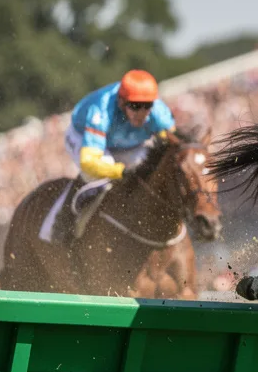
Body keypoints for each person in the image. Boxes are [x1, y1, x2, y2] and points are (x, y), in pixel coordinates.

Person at [55, 69, 176, 244]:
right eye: (135, 106)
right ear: (121, 102)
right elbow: (89, 162)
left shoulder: (159, 112)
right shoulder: (101, 109)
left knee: (154, 167)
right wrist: (119, 172)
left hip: (127, 145)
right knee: (99, 172)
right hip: (84, 138)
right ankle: (65, 219)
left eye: (147, 105)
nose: (142, 112)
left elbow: (175, 147)